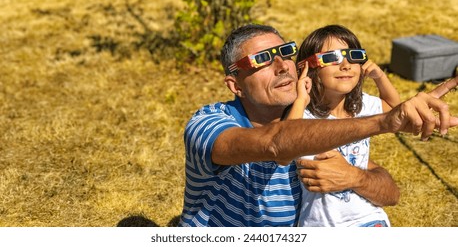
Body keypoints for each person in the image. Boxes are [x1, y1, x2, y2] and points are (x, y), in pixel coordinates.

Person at [178, 23, 458, 227]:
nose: (281, 66)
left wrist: (355, 178)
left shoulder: (313, 120)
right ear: (235, 85)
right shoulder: (208, 124)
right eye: (262, 60)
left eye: (285, 52)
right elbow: (277, 144)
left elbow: (390, 193)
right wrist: (386, 121)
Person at [286, 24, 401, 227]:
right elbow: (286, 141)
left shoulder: (360, 106)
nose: (346, 64)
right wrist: (300, 99)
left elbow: (394, 108)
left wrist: (380, 77)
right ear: (307, 69)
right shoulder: (304, 114)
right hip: (322, 223)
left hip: (369, 218)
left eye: (354, 56)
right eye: (332, 58)